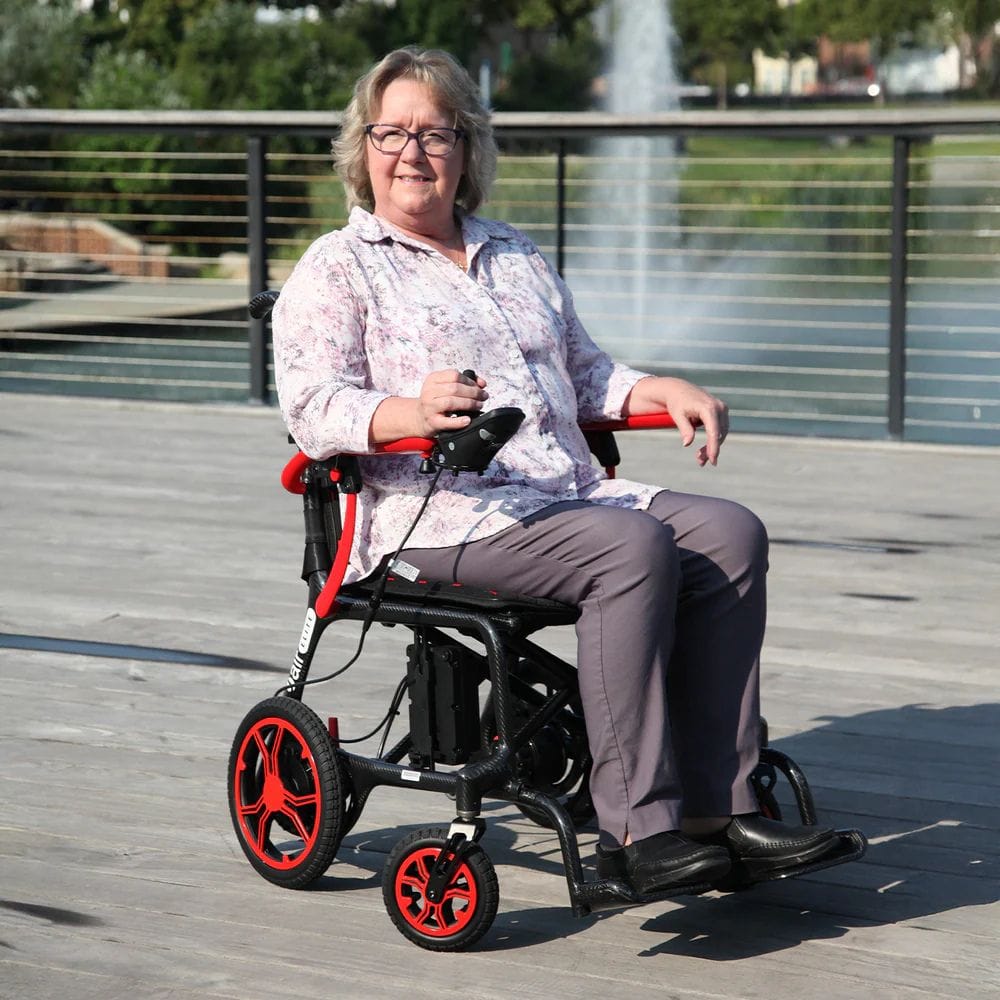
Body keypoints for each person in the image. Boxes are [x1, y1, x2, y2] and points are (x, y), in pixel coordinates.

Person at [272, 46, 838, 896]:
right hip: (437, 518)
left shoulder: (513, 253)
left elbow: (582, 376)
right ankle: (633, 832)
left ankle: (718, 810)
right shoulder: (339, 266)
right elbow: (312, 405)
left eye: (436, 132)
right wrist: (408, 414)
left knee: (729, 533)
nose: (412, 151)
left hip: (568, 494)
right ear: (363, 148)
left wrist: (657, 387)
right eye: (391, 132)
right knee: (631, 547)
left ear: (467, 150)